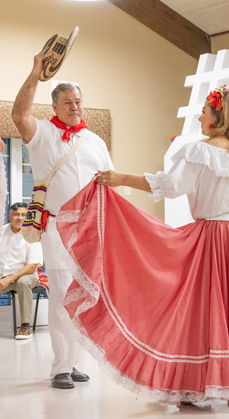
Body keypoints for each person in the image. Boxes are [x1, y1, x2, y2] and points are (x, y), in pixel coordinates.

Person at [56, 86, 229, 406]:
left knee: (208, 310)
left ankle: (202, 382)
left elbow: (169, 185)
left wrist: (121, 177)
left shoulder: (200, 152)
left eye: (204, 110)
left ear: (218, 116)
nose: (199, 115)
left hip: (217, 238)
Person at [11, 49, 113, 388]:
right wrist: (35, 70)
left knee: (85, 295)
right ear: (54, 106)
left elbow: (108, 186)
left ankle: (75, 361)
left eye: (79, 101)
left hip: (90, 231)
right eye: (67, 102)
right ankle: (60, 368)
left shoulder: (96, 142)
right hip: (55, 229)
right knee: (61, 297)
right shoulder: (41, 134)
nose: (75, 107)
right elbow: (18, 113)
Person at [0, 203, 43, 339]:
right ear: (9, 216)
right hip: (3, 277)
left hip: (26, 276)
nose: (20, 218)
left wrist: (9, 278)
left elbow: (32, 266)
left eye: (23, 215)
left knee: (23, 282)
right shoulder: (1, 231)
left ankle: (25, 327)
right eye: (16, 214)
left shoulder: (33, 235)